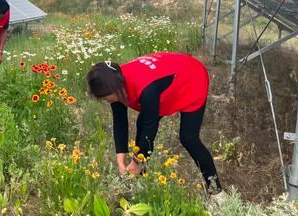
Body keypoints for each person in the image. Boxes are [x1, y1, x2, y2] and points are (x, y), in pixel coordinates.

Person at [86, 52, 223, 196]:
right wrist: (120, 161)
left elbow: (149, 128)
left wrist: (137, 161)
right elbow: (120, 123)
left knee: (189, 138)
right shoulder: (115, 82)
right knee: (142, 122)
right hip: (165, 76)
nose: (108, 101)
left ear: (115, 89)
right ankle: (139, 176)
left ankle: (217, 192)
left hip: (191, 76)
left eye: (107, 98)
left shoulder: (146, 89)